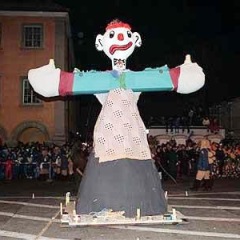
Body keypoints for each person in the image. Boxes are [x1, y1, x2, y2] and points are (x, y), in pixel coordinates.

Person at [28, 19, 205, 217]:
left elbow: (166, 78)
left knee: (135, 152)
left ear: (136, 40)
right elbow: (72, 83)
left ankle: (144, 202)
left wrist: (184, 74)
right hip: (108, 134)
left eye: (126, 35)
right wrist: (55, 80)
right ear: (100, 43)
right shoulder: (99, 78)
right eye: (112, 36)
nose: (120, 39)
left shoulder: (138, 78)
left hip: (133, 133)